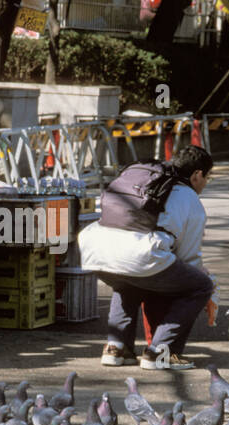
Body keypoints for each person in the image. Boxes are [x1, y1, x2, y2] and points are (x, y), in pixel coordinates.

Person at [78, 146, 216, 371]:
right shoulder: (190, 198)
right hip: (140, 256)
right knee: (200, 286)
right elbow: (188, 258)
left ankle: (117, 347)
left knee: (127, 281)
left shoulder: (153, 182)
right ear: (197, 175)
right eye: (207, 177)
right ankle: (160, 352)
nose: (206, 183)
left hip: (95, 248)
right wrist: (201, 276)